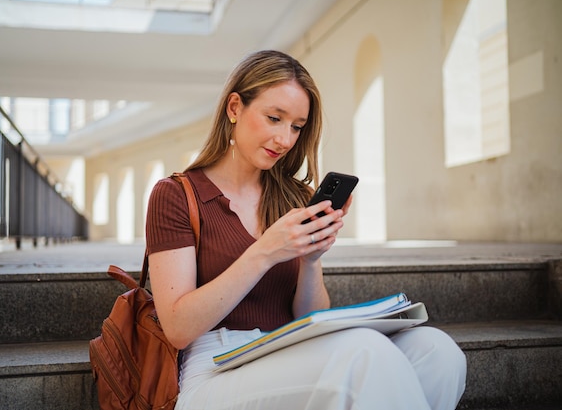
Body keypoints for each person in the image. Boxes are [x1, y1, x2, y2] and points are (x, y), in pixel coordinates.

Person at [145, 50, 466, 410]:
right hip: (215, 366)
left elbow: (308, 316)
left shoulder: (293, 196)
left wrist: (311, 260)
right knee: (365, 353)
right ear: (234, 108)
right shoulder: (175, 195)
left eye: (296, 126)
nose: (285, 139)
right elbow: (177, 328)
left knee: (438, 351)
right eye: (274, 118)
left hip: (290, 346)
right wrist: (265, 252)